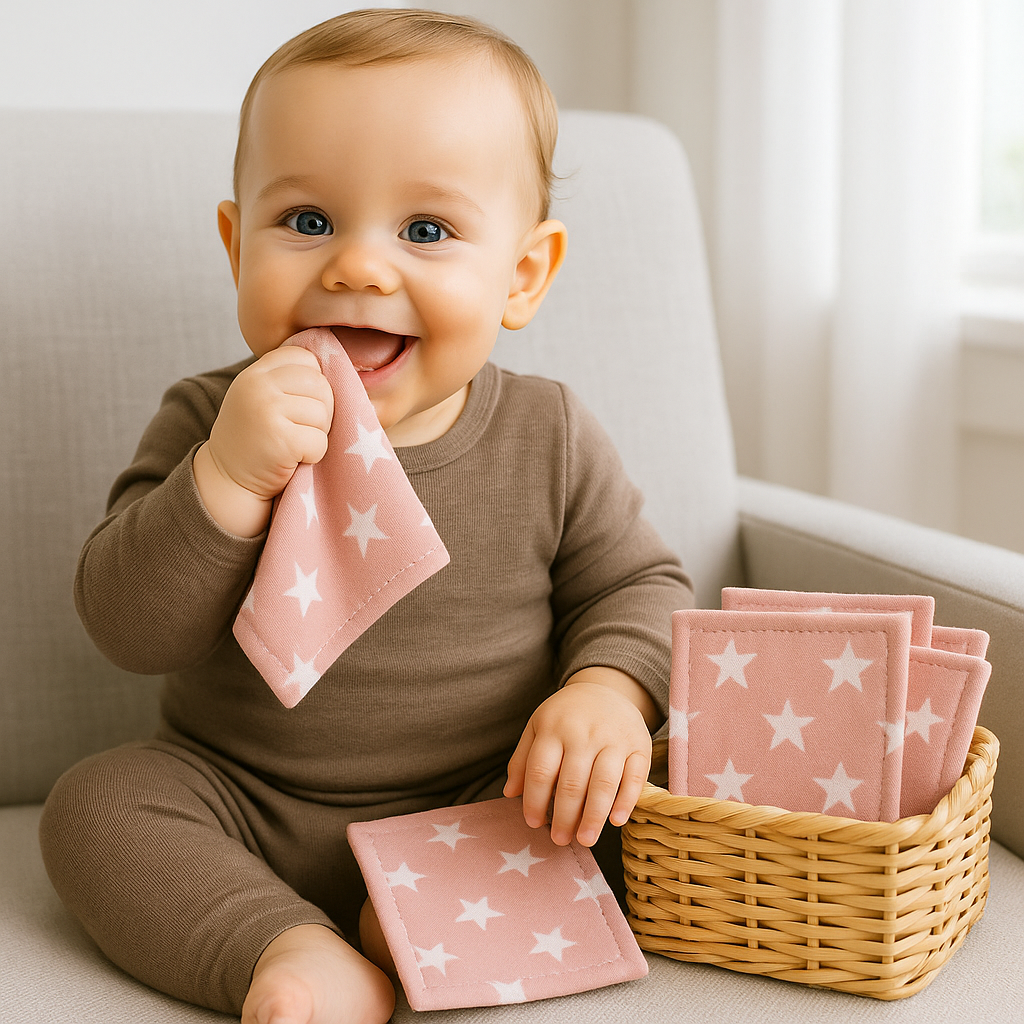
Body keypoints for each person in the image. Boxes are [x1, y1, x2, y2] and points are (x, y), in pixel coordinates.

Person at [39, 9, 693, 1024]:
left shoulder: (547, 433)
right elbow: (128, 627)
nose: (354, 268)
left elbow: (640, 584)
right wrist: (223, 478)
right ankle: (287, 946)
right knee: (94, 806)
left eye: (425, 231)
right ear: (234, 241)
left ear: (521, 275)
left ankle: (434, 916)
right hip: (241, 798)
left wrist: (608, 690)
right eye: (306, 222)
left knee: (608, 800)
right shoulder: (208, 417)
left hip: (484, 799)